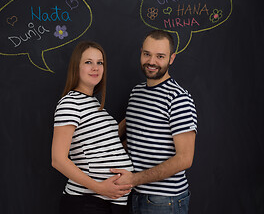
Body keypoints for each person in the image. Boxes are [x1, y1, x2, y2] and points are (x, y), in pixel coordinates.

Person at [111, 30, 197, 214]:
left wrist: (134, 179)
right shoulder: (136, 93)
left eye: (160, 56)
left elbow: (185, 159)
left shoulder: (178, 98)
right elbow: (135, 141)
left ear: (171, 58)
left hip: (165, 201)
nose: (151, 62)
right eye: (147, 54)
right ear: (141, 52)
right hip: (134, 195)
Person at [51, 41, 133, 214]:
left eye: (99, 62)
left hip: (109, 203)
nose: (95, 68)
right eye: (88, 62)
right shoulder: (70, 103)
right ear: (76, 67)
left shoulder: (93, 104)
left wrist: (134, 116)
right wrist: (99, 188)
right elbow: (58, 159)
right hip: (87, 203)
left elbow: (106, 141)